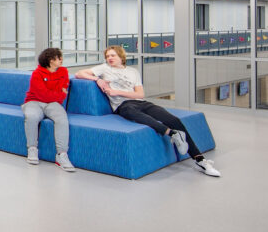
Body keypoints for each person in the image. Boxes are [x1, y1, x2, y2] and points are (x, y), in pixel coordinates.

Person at [76, 46, 221, 177]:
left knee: (174, 120)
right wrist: (97, 79)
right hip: (123, 105)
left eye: (113, 55)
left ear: (121, 56)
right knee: (140, 117)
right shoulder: (104, 68)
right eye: (108, 56)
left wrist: (116, 91)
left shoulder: (133, 72)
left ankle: (200, 160)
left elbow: (140, 94)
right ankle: (173, 134)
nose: (110, 58)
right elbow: (79, 73)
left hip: (141, 102)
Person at [22, 47, 74, 171]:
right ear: (51, 60)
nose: (61, 60)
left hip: (53, 104)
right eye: (58, 57)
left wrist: (58, 95)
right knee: (32, 117)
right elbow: (42, 95)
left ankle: (61, 155)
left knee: (62, 119)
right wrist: (60, 93)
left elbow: (61, 93)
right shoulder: (37, 73)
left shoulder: (63, 72)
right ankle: (32, 149)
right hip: (33, 102)